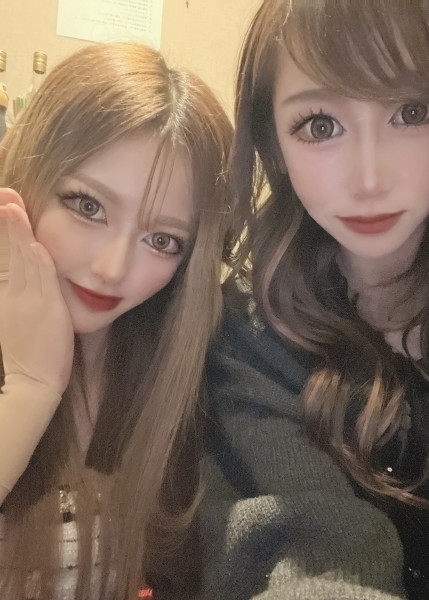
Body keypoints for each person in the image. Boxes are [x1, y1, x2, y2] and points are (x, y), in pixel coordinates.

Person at [199, 1, 429, 599]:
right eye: (321, 125)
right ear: (274, 145)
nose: (370, 178)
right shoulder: (247, 341)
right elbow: (317, 560)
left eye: (412, 111)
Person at [0, 41, 233, 599]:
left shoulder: (175, 365)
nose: (112, 269)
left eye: (162, 240)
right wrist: (30, 390)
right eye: (88, 206)